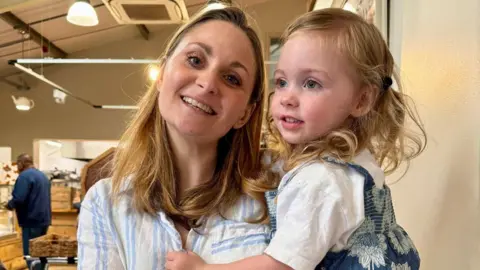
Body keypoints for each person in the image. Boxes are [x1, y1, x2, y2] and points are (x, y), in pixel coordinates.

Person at [166, 8, 427, 270]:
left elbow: (280, 266)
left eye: (311, 83)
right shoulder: (356, 164)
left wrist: (201, 269)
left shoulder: (320, 180)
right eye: (281, 82)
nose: (287, 98)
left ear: (361, 100)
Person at [77, 5, 272, 269]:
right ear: (162, 72)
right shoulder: (104, 204)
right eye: (195, 60)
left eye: (231, 78)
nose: (208, 83)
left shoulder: (273, 199)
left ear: (245, 114)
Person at [6, 154, 51, 270]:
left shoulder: (24, 177)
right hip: (44, 220)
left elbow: (19, 198)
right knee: (41, 253)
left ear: (21, 163)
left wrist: (9, 205)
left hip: (30, 220)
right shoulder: (42, 176)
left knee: (30, 254)